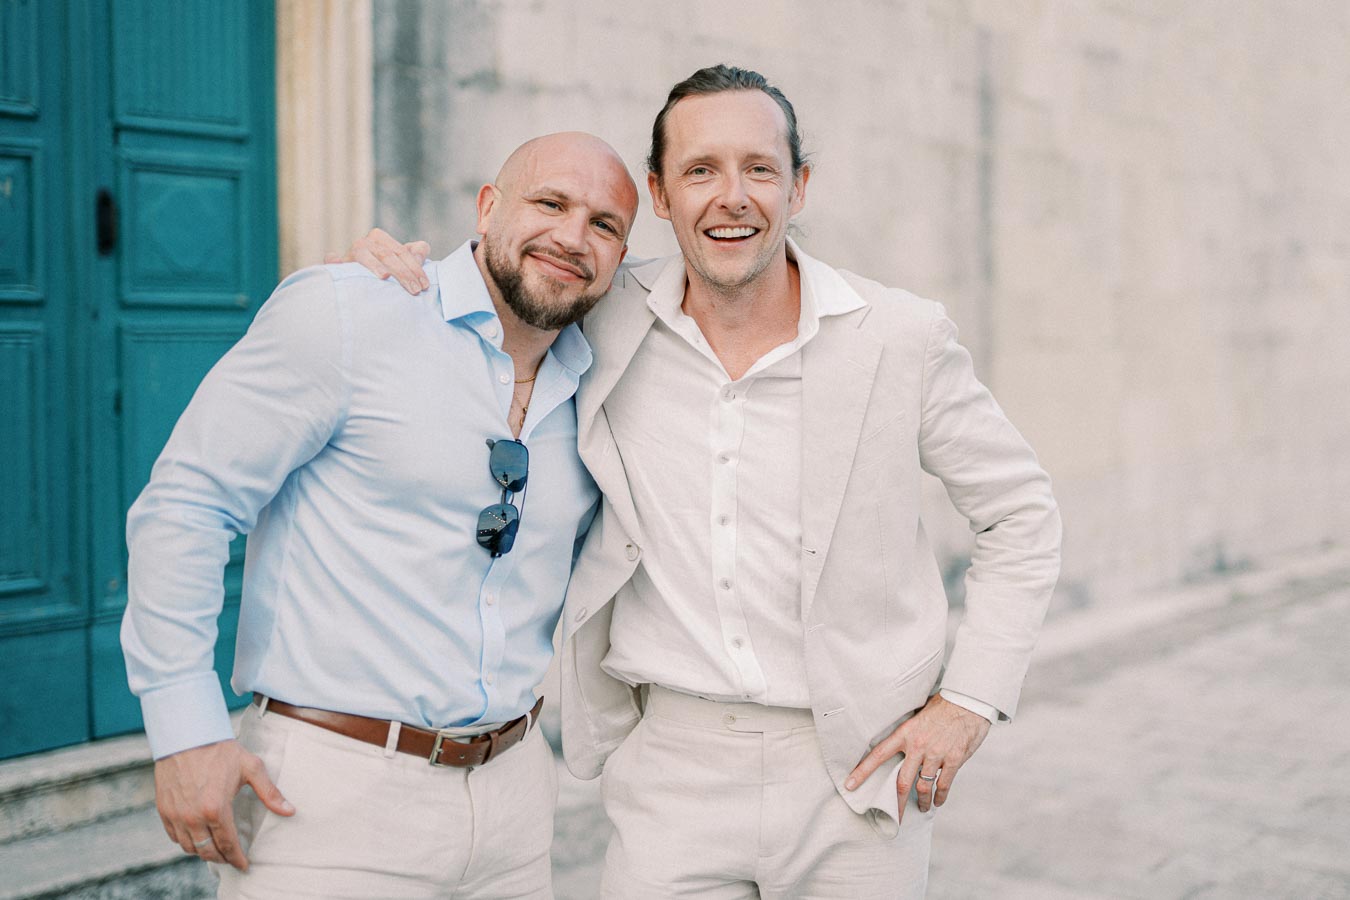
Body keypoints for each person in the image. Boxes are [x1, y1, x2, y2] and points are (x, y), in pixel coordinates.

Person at [353, 64, 1061, 899]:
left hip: (857, 771)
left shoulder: (900, 337)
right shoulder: (604, 312)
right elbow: (502, 281)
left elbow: (1020, 513)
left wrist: (970, 699)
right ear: (658, 193)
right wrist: (382, 281)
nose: (733, 197)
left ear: (798, 186)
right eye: (700, 170)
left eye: (759, 168)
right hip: (670, 774)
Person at [121, 132, 639, 898]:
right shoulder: (349, 312)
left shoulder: (610, 375)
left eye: (604, 225)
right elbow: (187, 504)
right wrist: (186, 730)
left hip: (517, 808)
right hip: (331, 798)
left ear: (623, 258)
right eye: (550, 203)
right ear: (488, 208)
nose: (572, 236)